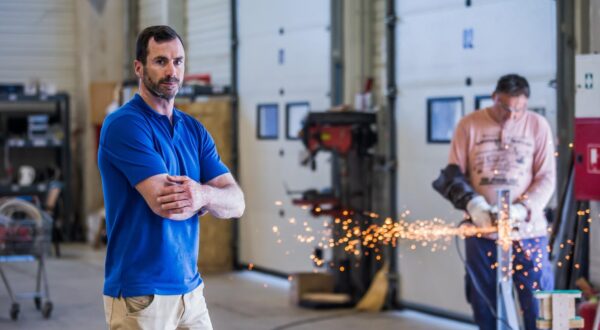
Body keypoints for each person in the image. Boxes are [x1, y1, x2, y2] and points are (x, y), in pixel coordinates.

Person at [98, 25, 245, 330]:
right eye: (160, 61)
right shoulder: (124, 126)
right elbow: (169, 205)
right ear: (139, 67)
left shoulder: (193, 130)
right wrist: (208, 197)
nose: (171, 71)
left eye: (178, 62)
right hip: (142, 294)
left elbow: (237, 203)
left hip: (190, 292)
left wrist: (202, 195)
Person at [432, 74, 555, 330]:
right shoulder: (469, 125)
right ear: (494, 98)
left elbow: (546, 178)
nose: (512, 115)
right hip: (482, 233)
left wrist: (522, 210)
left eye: (519, 109)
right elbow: (454, 174)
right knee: (487, 307)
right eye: (506, 108)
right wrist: (474, 205)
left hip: (527, 234)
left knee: (538, 308)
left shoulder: (537, 125)